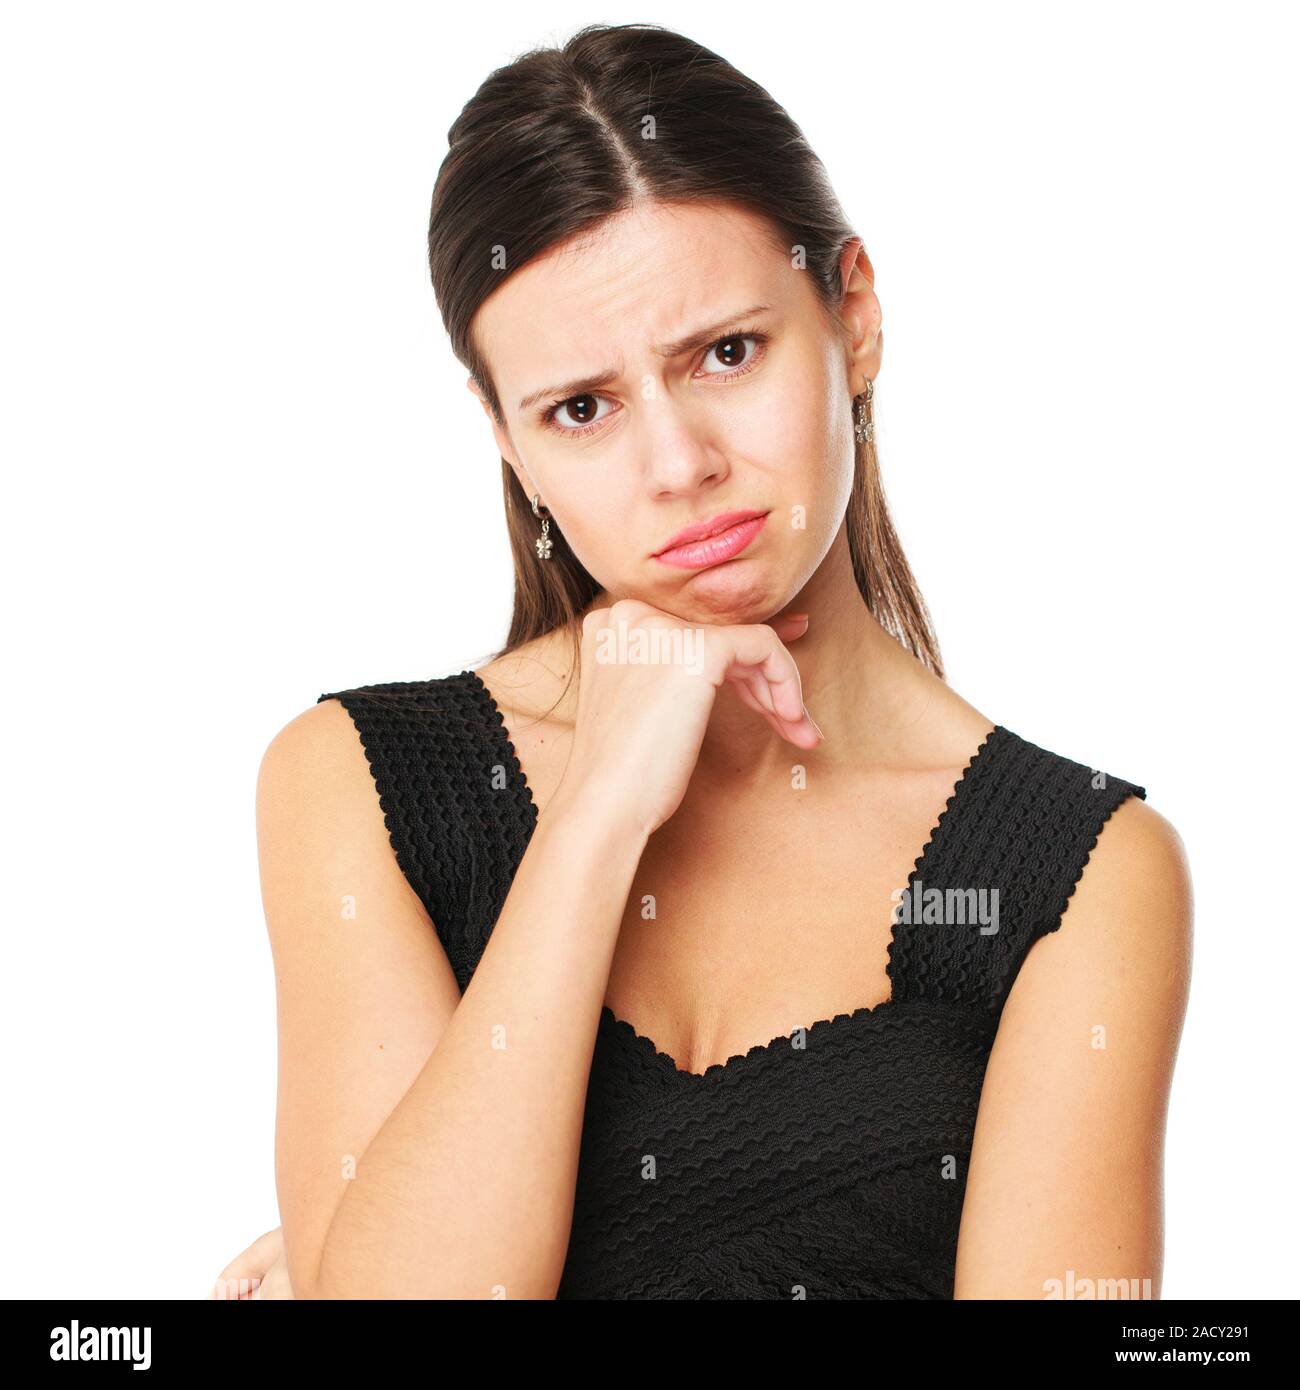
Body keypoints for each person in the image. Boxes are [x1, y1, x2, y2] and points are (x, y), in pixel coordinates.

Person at [216, 22, 1191, 1300]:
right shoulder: (356, 785)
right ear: (509, 443)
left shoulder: (1079, 873)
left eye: (726, 353)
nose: (678, 466)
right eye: (582, 407)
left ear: (852, 317)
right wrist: (593, 818)